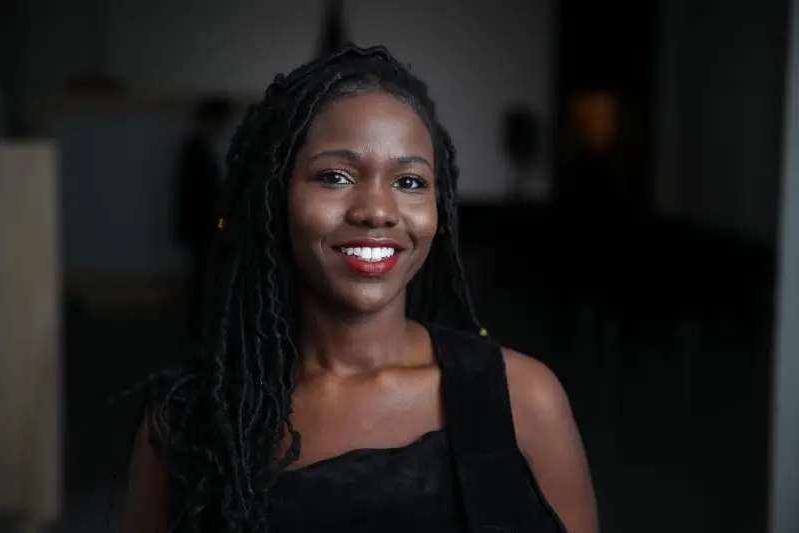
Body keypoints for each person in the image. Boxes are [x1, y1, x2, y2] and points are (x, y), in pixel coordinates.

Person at [124, 45, 598, 533]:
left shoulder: (524, 397)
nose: (377, 211)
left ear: (439, 210)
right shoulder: (188, 418)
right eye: (335, 176)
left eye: (409, 182)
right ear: (274, 199)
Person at [172, 96, 232, 339]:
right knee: (202, 281)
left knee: (202, 279)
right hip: (202, 228)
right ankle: (199, 331)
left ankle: (199, 329)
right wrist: (221, 225)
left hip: (201, 227)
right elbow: (203, 198)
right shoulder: (196, 151)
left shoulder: (197, 149)